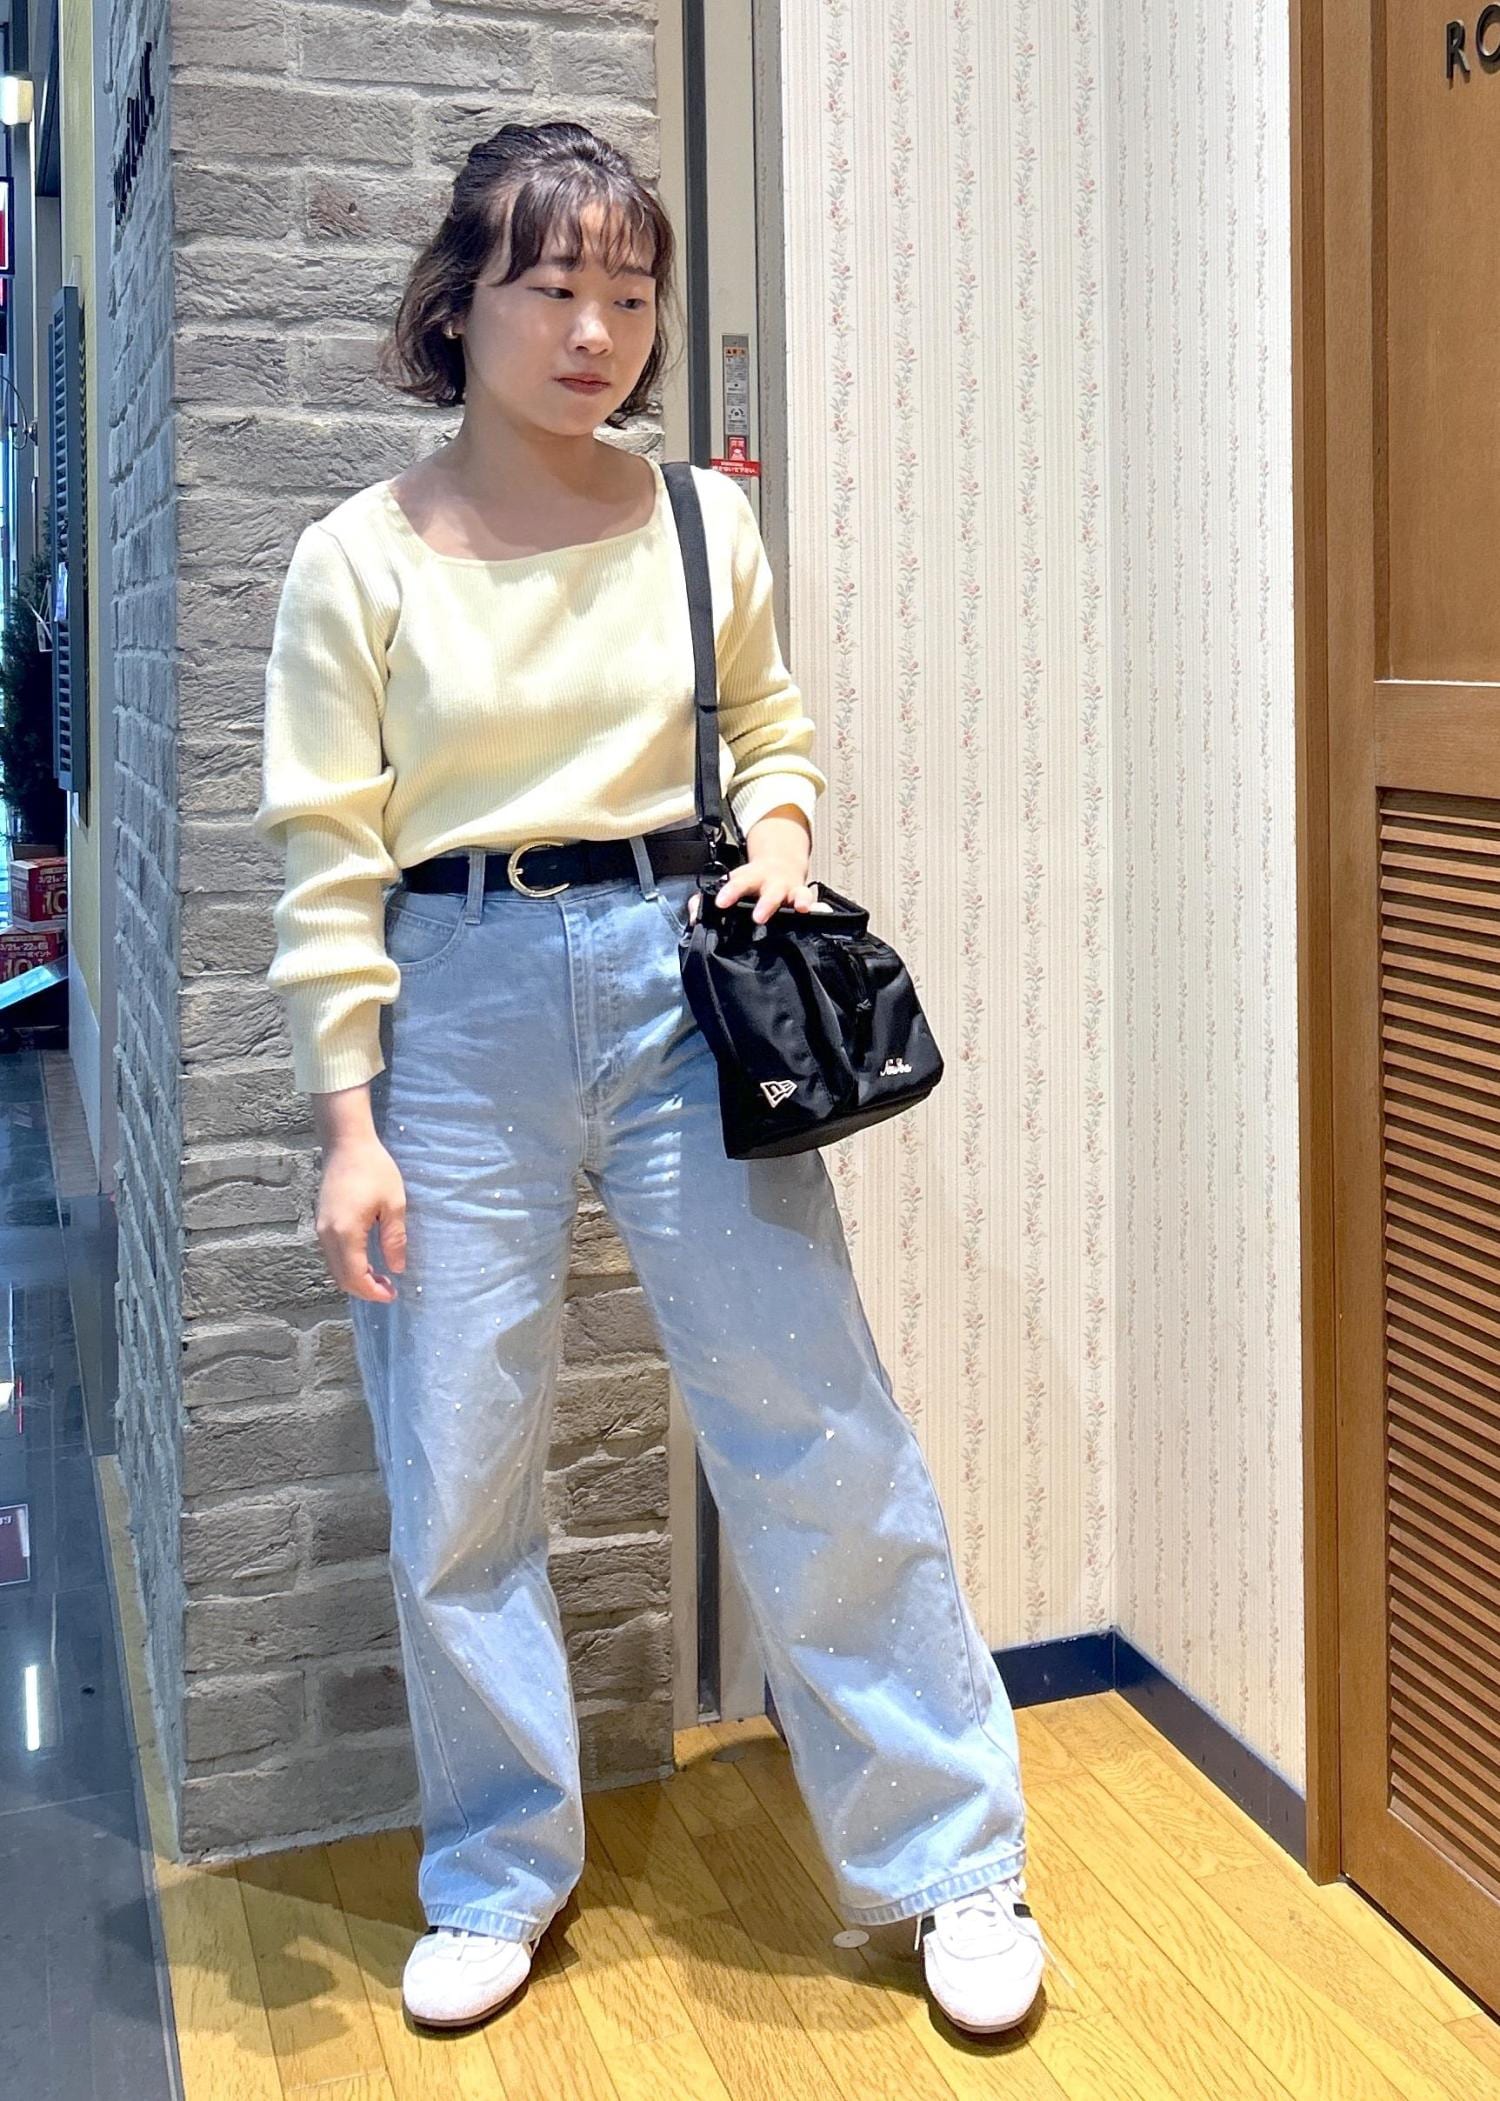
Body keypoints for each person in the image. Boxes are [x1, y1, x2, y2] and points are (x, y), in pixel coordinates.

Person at [253, 118, 1044, 2038]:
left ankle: (950, 1857)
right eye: (552, 288)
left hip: (682, 981)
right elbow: (324, 858)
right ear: (460, 304)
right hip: (452, 1001)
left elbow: (768, 725)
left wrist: (779, 828)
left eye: (628, 292)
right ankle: (493, 1869)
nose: (595, 330)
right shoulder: (358, 558)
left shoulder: (701, 521)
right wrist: (349, 1122)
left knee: (812, 1417)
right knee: (458, 1460)